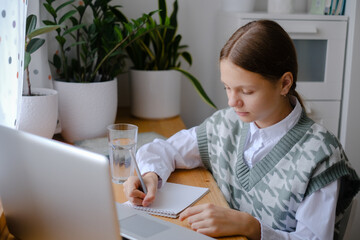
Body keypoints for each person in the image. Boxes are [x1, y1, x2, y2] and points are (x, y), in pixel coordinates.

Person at [123, 20, 360, 240]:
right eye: (227, 87)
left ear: (285, 83)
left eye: (246, 91)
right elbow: (165, 149)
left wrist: (251, 227)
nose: (232, 102)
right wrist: (150, 176)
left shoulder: (321, 154)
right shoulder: (227, 124)